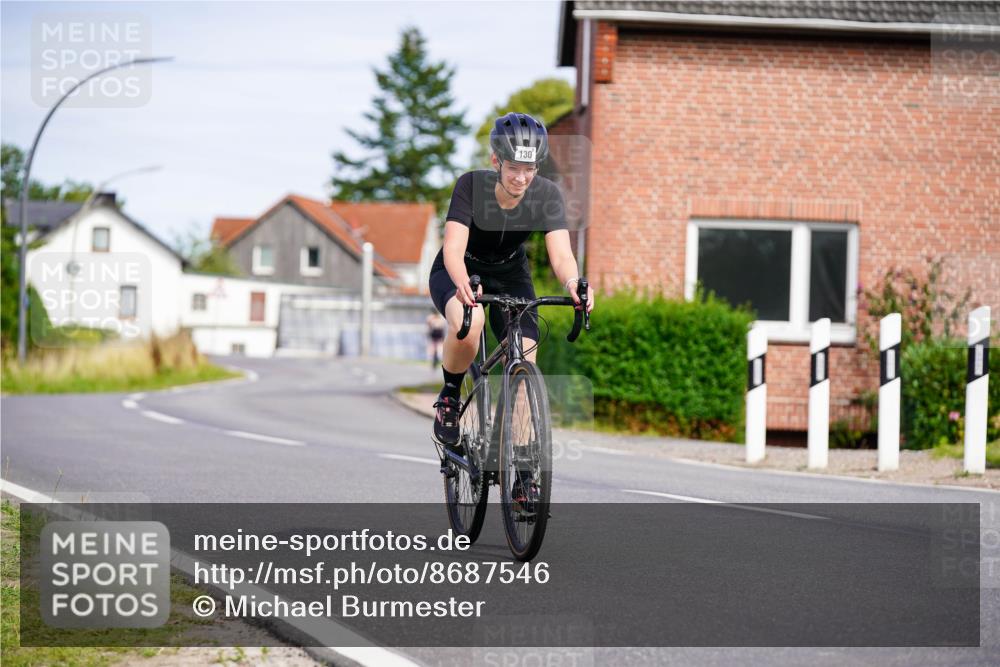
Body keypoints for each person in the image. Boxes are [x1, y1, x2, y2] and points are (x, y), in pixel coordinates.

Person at [427, 112, 595, 459]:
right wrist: (462, 285)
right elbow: (454, 249)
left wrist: (573, 283)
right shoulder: (471, 186)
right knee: (468, 325)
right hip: (461, 267)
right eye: (514, 168)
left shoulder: (547, 195)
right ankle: (449, 395)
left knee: (525, 358)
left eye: (529, 170)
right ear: (496, 161)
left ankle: (519, 463)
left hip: (510, 273)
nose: (521, 178)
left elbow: (562, 255)